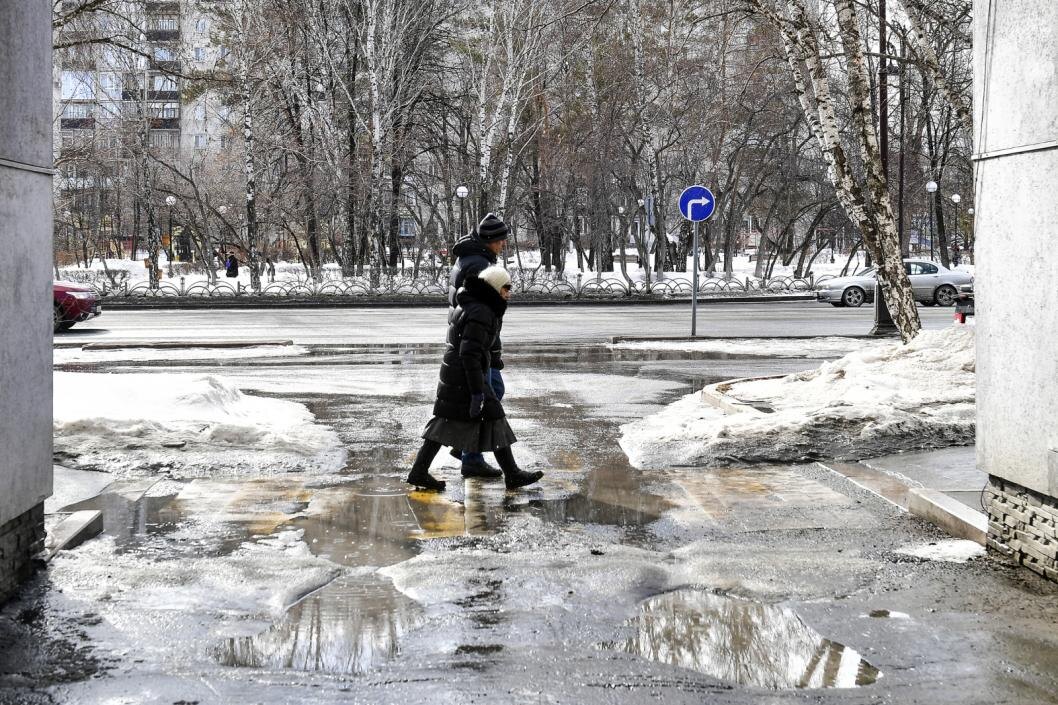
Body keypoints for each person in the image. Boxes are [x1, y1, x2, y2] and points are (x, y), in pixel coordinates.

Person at [407, 264, 543, 492]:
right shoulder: (482, 311)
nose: (509, 293)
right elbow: (470, 354)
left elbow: (475, 348)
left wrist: (491, 361)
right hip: (465, 376)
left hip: (458, 374)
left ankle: (420, 470)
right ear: (494, 287)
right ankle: (512, 474)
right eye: (505, 287)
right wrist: (478, 391)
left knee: (455, 421)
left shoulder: (475, 305)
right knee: (483, 418)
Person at [447, 213, 509, 478]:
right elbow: (482, 307)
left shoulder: (471, 257)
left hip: (471, 338)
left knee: (487, 392)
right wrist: (487, 348)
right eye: (500, 240)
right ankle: (470, 455)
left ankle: (464, 447)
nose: (503, 245)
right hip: (474, 341)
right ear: (489, 240)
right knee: (489, 394)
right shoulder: (478, 264)